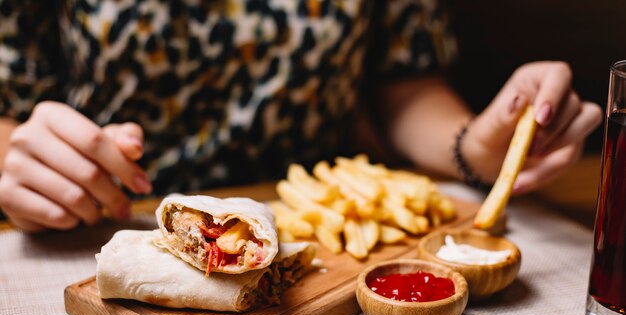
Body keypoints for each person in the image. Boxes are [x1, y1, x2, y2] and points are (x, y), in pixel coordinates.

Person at [0, 0, 602, 232]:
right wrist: (22, 160)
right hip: (102, 221)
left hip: (314, 239)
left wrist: (480, 145)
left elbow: (407, 90)